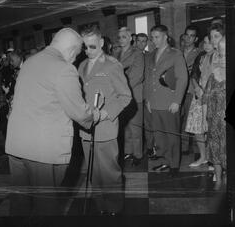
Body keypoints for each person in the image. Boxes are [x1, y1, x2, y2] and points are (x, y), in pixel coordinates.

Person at [5, 28, 98, 216]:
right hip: (42, 150)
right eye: (77, 54)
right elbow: (79, 112)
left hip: (17, 145)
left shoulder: (30, 62)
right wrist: (97, 114)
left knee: (20, 203)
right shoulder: (64, 68)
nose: (75, 59)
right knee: (46, 207)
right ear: (72, 50)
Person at [78, 25, 131, 215]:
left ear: (101, 43)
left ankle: (115, 209)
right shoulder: (81, 66)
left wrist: (105, 113)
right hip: (85, 129)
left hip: (105, 128)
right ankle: (100, 206)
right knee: (92, 172)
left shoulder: (112, 65)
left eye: (92, 46)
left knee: (110, 173)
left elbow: (125, 97)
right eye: (84, 47)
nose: (88, 51)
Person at [144, 25, 188, 177]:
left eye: (156, 37)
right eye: (152, 37)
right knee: (159, 135)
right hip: (155, 102)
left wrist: (177, 101)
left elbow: (182, 78)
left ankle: (174, 165)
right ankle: (165, 161)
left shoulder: (175, 54)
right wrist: (148, 99)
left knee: (172, 135)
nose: (153, 40)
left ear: (165, 37)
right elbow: (149, 79)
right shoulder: (151, 55)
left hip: (170, 102)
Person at [115, 27, 145, 165]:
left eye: (124, 37)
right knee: (125, 127)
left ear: (131, 38)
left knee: (136, 128)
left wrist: (122, 89)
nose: (121, 39)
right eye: (119, 37)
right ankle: (128, 152)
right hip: (120, 97)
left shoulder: (137, 53)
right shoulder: (115, 53)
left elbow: (137, 76)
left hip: (134, 95)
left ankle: (138, 155)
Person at [185, 36, 214, 167]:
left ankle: (214, 159)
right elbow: (194, 74)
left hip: (212, 96)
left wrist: (206, 91)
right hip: (199, 95)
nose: (207, 45)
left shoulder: (220, 56)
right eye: (205, 43)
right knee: (198, 129)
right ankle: (203, 157)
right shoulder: (201, 56)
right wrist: (196, 87)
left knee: (212, 130)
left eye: (210, 43)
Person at [202, 36, 226, 190]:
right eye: (220, 53)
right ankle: (218, 180)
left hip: (227, 122)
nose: (222, 58)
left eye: (225, 54)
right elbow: (205, 98)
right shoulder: (213, 76)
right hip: (213, 121)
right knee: (215, 150)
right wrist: (204, 120)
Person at [180, 25, 200, 155]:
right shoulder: (176, 51)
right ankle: (178, 145)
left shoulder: (199, 53)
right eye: (187, 35)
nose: (188, 38)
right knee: (176, 119)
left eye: (192, 36)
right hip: (176, 91)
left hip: (190, 91)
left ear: (196, 38)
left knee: (188, 120)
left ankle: (185, 147)